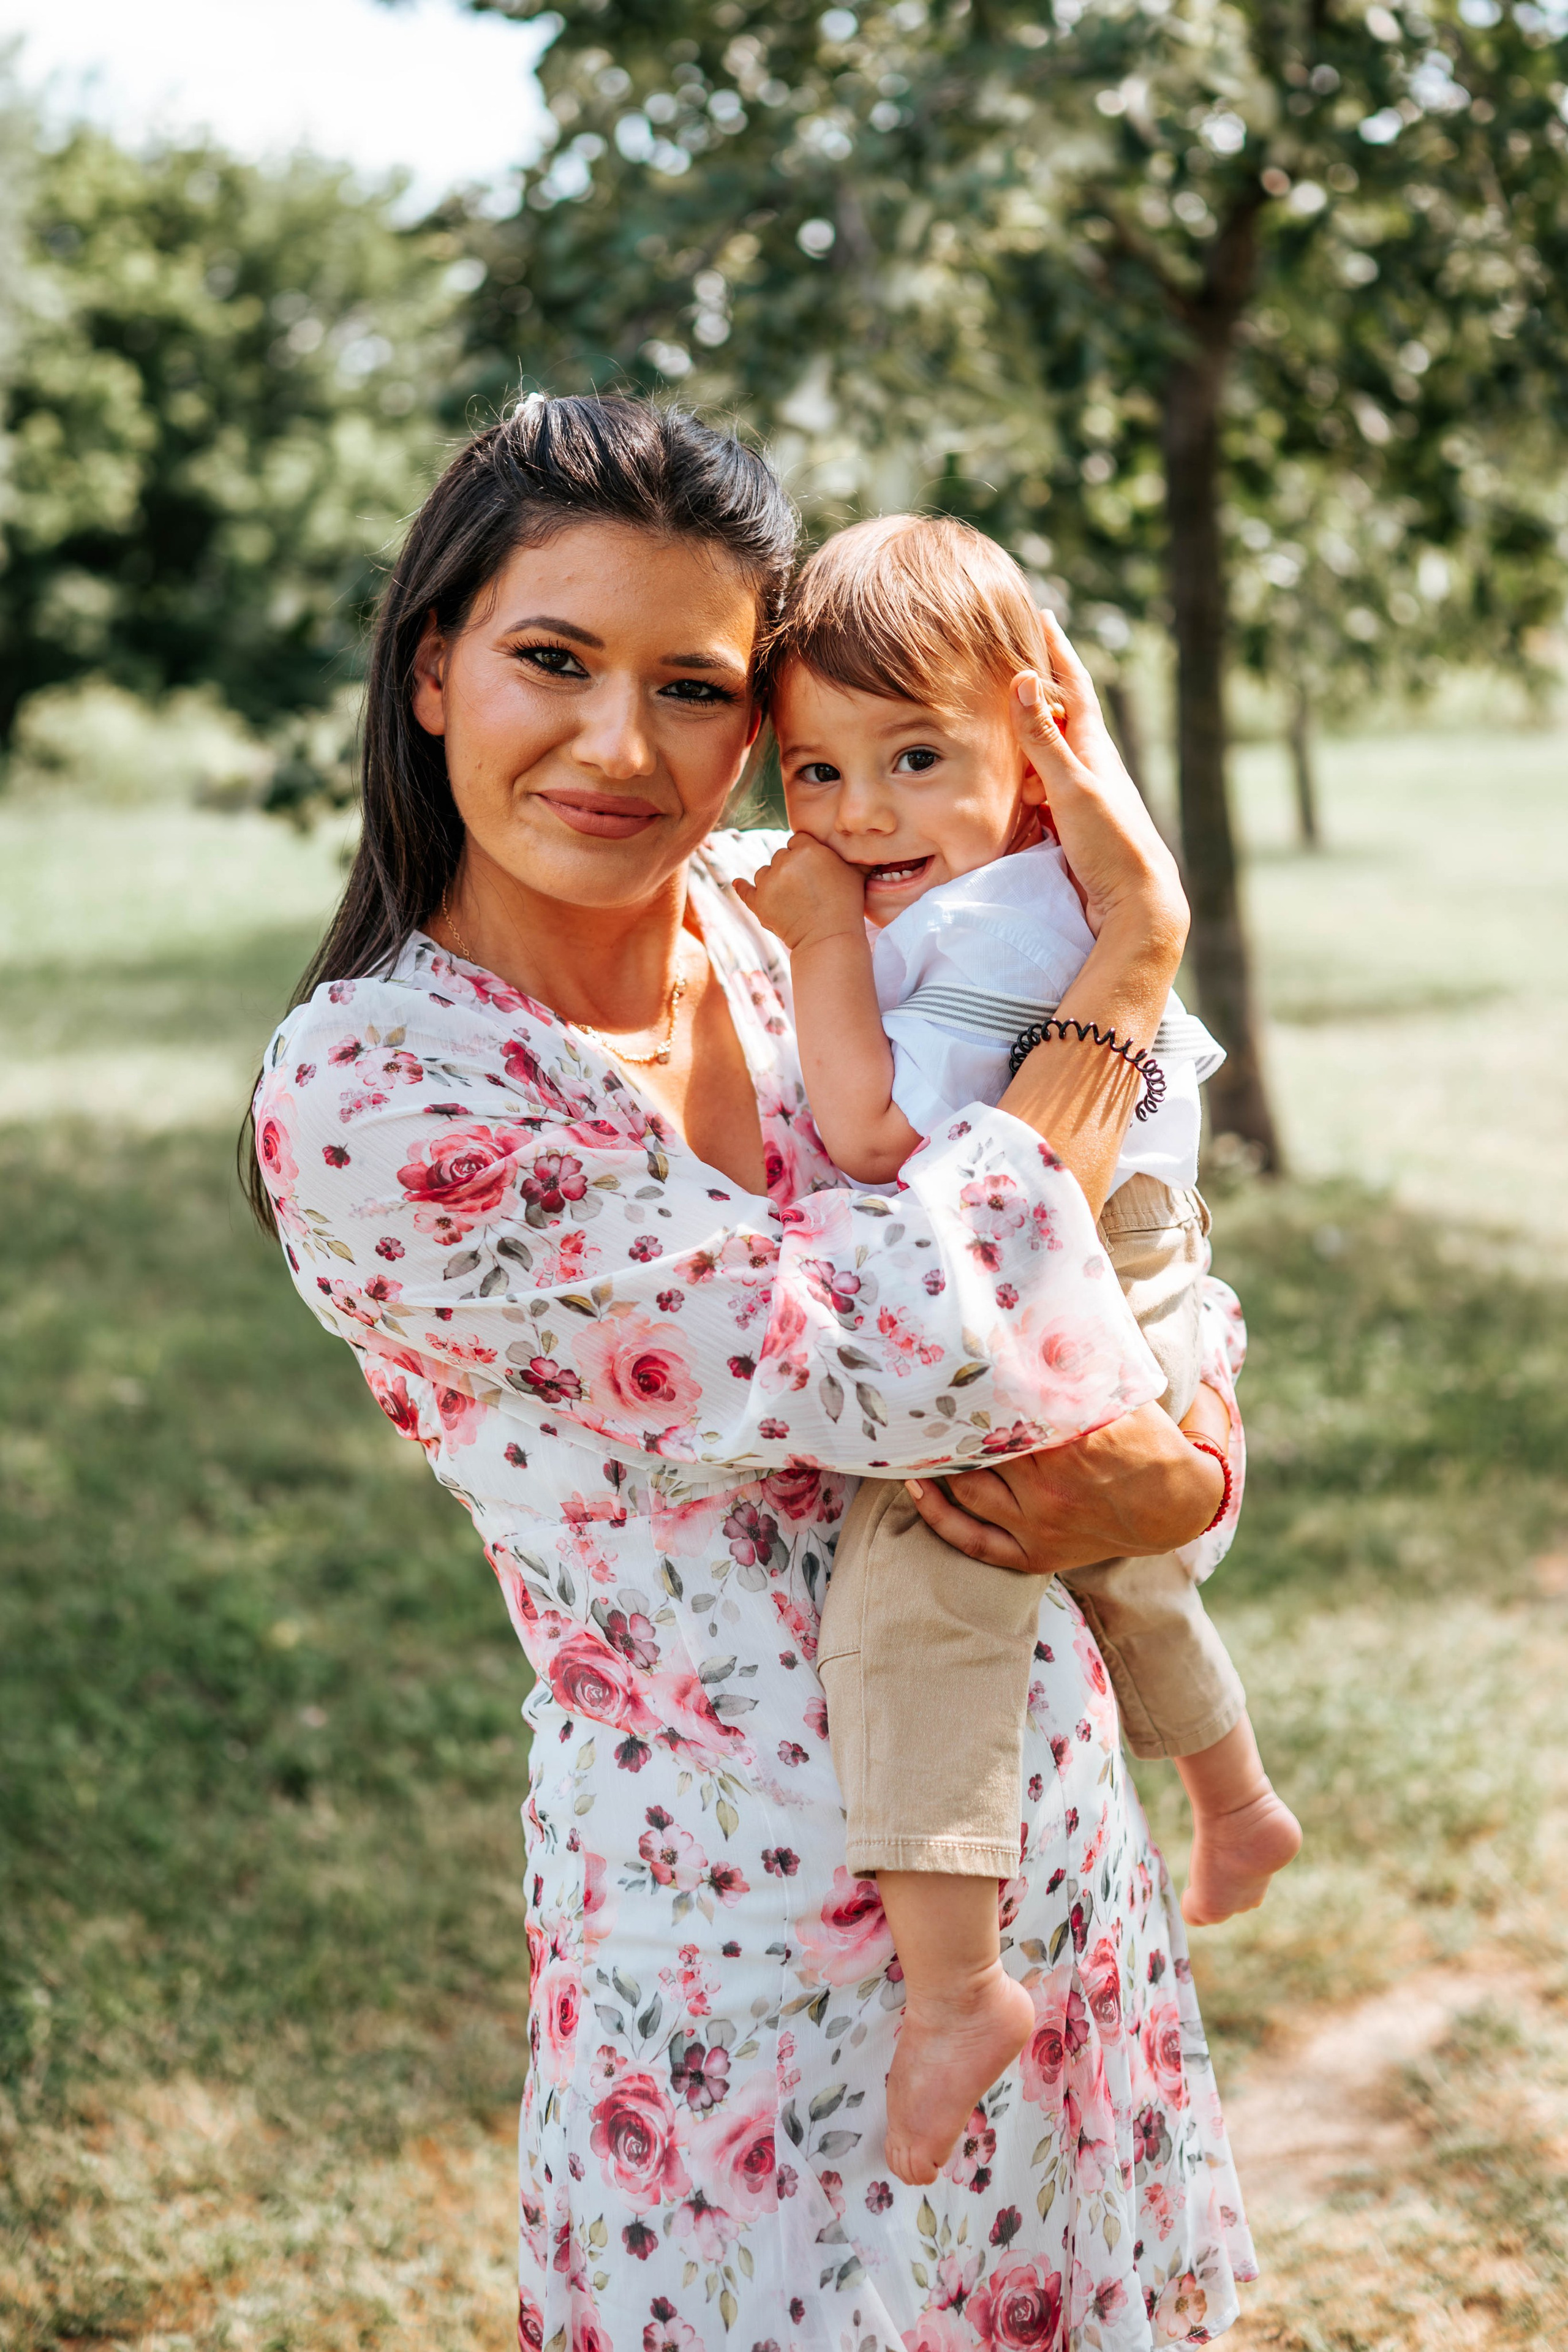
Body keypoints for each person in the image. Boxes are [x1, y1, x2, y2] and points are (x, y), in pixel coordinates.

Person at [247, 392, 1257, 2351]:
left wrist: (1191, 1470)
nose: (625, 748)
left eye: (698, 688)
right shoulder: (381, 1093)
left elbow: (1143, 1264)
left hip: (1037, 1844)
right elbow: (930, 1342)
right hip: (733, 1954)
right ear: (434, 664)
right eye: (555, 658)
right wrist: (1128, 959)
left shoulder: (813, 928)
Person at [736, 515, 1302, 2184]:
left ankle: (960, 1992)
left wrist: (823, 939)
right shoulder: (1017, 893)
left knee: (919, 1592)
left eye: (916, 757)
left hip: (1084, 1268)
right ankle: (1236, 1791)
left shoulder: (990, 934)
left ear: (1042, 753)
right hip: (1123, 1268)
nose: (858, 818)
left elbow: (873, 1132)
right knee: (1122, 1558)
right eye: (816, 771)